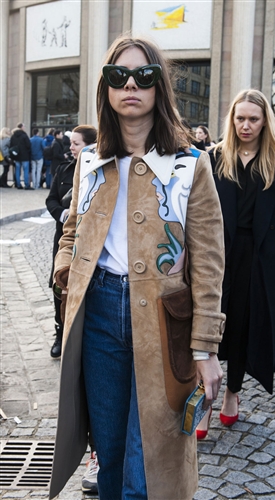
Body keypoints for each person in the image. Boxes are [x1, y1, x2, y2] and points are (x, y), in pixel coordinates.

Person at [49, 34, 225, 500]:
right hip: (100, 313)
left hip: (165, 321)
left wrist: (206, 348)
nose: (131, 84)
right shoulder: (91, 159)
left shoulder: (191, 165)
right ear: (106, 88)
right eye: (117, 75)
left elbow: (209, 262)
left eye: (143, 75)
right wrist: (67, 270)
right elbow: (72, 228)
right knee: (108, 456)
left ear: (159, 86)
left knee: (146, 465)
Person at [208, 89, 275, 430]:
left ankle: (232, 392)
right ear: (232, 119)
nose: (246, 125)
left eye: (253, 119)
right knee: (212, 319)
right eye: (240, 118)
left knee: (245, 323)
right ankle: (204, 392)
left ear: (265, 122)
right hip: (219, 253)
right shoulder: (215, 157)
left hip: (258, 257)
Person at [46, 124, 100, 494]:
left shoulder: (186, 163)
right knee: (92, 388)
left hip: (132, 294)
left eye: (78, 144)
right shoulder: (77, 166)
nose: (74, 149)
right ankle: (97, 455)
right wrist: (64, 264)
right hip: (82, 280)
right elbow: (67, 221)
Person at [9, 123, 32, 189]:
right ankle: (26, 185)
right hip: (24, 156)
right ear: (21, 127)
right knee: (25, 171)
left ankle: (18, 184)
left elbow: (11, 146)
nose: (24, 127)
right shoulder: (24, 135)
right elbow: (28, 145)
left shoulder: (13, 136)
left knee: (17, 171)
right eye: (24, 126)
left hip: (16, 156)